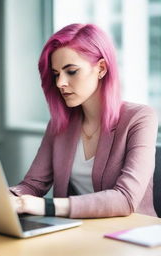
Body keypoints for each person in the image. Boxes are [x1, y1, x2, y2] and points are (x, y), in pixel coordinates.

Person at [9, 23, 158, 218]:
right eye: (56, 74)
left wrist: (46, 206)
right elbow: (32, 185)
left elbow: (125, 198)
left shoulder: (140, 118)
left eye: (71, 71)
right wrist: (3, 198)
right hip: (79, 232)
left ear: (101, 68)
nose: (60, 83)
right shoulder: (59, 124)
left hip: (131, 237)